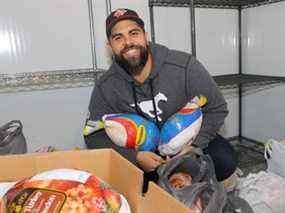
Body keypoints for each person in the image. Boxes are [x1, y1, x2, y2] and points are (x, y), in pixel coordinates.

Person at [84, 8, 237, 184]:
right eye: (118, 38)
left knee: (224, 159)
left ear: (145, 36)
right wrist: (134, 157)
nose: (128, 42)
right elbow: (93, 135)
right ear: (110, 46)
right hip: (143, 156)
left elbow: (216, 108)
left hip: (187, 144)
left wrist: (194, 146)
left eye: (134, 33)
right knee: (121, 183)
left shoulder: (184, 66)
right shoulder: (106, 86)